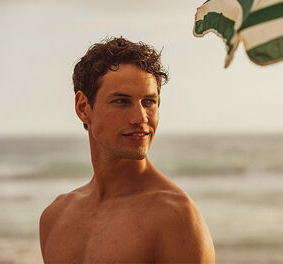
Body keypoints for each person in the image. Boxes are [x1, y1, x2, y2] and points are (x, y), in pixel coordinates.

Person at [39, 37, 215, 263]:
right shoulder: (55, 217)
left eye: (148, 102)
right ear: (83, 108)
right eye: (122, 101)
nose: (140, 118)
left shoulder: (175, 216)